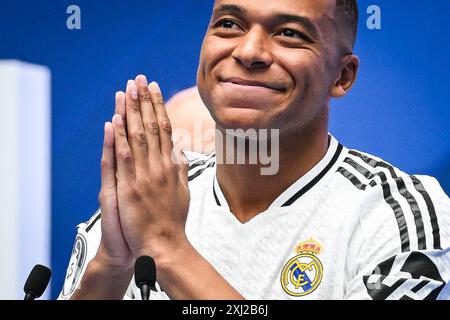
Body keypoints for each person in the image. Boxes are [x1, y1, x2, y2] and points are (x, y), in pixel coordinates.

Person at [60, 0, 449, 300]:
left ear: (342, 76)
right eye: (229, 24)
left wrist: (167, 249)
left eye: (290, 33)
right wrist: (111, 268)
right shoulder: (143, 202)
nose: (249, 52)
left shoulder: (398, 216)